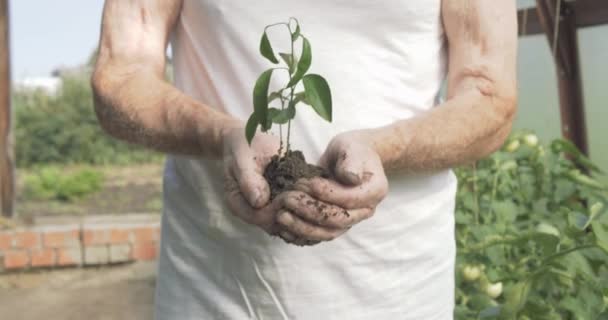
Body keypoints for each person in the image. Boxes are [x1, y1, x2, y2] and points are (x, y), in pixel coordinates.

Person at [92, 0, 517, 319]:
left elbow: (490, 97)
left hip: (397, 289)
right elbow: (120, 77)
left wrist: (386, 147)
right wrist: (219, 134)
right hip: (215, 289)